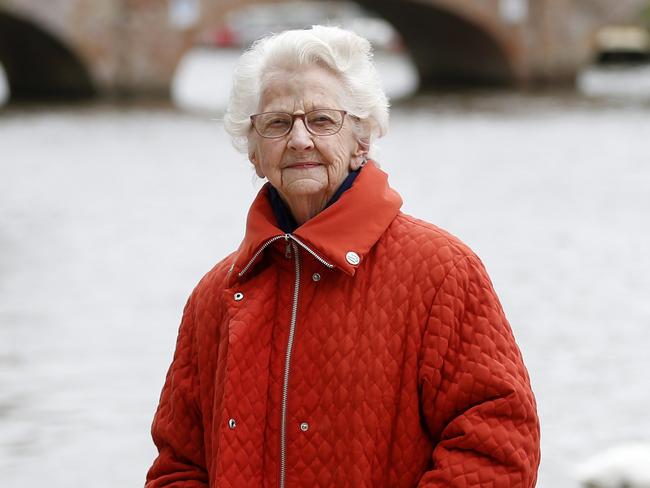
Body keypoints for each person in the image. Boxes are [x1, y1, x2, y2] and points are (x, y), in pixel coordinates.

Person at [146, 25, 540, 488]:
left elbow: (497, 444)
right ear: (253, 151)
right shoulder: (214, 296)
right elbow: (179, 466)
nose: (298, 140)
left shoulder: (441, 272)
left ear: (362, 139)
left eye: (322, 120)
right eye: (277, 123)